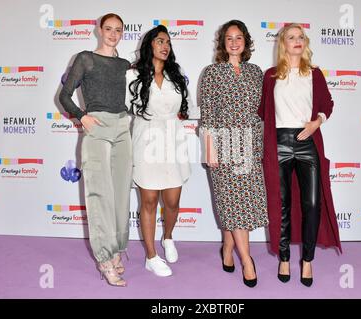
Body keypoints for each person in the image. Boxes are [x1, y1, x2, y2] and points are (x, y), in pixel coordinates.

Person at [258, 23, 342, 287]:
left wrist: (316, 122)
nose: (297, 41)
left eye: (301, 37)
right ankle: (284, 257)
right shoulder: (271, 75)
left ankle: (307, 260)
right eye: (291, 37)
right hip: (279, 142)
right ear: (283, 43)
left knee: (313, 204)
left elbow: (327, 103)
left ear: (305, 43)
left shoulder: (314, 74)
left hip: (308, 143)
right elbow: (263, 110)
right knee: (281, 204)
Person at [59, 13, 131, 287]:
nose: (113, 34)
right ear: (99, 30)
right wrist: (81, 116)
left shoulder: (124, 64)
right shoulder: (85, 58)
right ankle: (104, 259)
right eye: (109, 29)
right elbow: (64, 95)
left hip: (123, 129)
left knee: (121, 196)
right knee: (100, 195)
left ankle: (115, 251)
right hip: (97, 128)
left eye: (118, 30)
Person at [199, 20, 268, 288]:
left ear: (246, 41)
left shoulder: (256, 72)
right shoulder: (213, 73)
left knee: (242, 206)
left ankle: (227, 250)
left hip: (251, 146)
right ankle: (247, 261)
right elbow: (206, 113)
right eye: (229, 38)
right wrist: (209, 147)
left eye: (239, 37)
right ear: (222, 43)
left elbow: (265, 110)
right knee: (234, 204)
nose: (234, 42)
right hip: (223, 146)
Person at [126, 25, 190, 277]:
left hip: (173, 141)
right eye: (160, 41)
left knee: (172, 202)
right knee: (149, 201)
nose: (165, 46)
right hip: (146, 140)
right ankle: (151, 256)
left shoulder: (177, 75)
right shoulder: (133, 75)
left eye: (168, 42)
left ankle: (168, 237)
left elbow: (186, 108)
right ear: (149, 44)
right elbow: (127, 107)